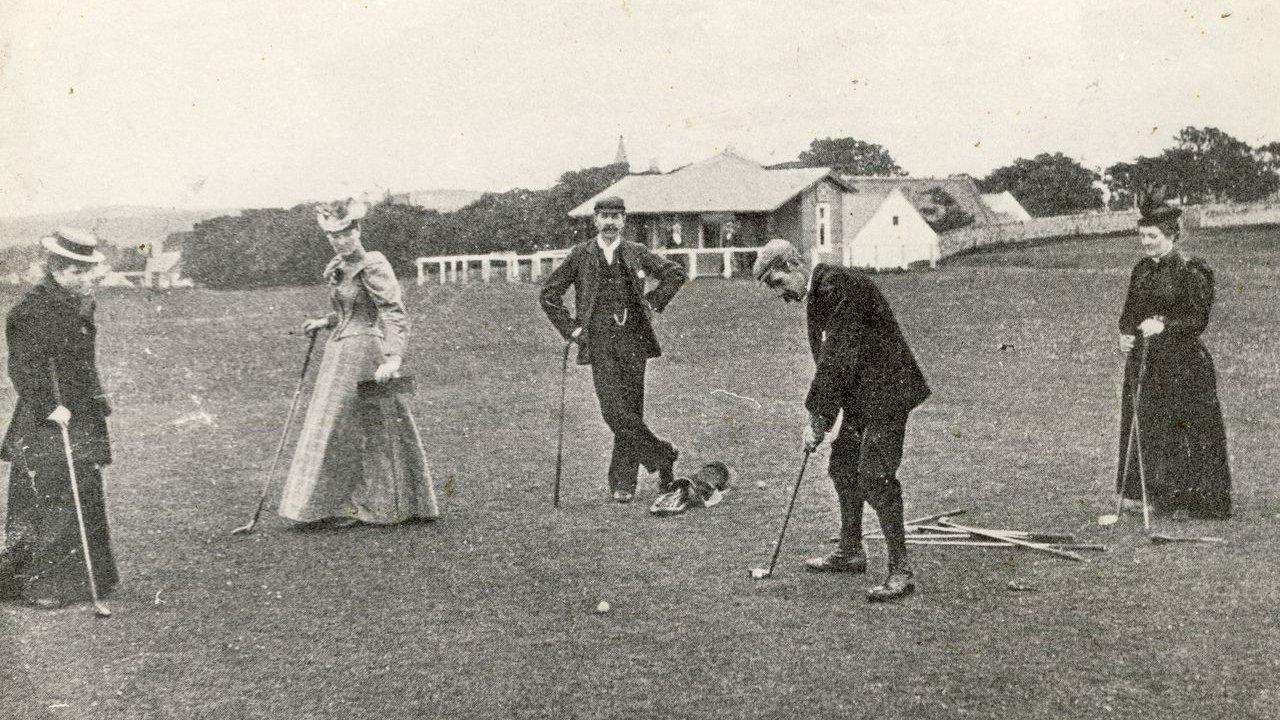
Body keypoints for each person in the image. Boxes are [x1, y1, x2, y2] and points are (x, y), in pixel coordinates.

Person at [753, 239, 930, 602]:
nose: (781, 295)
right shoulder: (820, 292)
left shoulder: (839, 286)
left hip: (887, 391)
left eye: (778, 283)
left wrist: (818, 419)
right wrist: (825, 416)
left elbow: (836, 357)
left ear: (794, 265)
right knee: (843, 467)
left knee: (875, 475)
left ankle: (901, 570)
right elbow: (833, 361)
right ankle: (851, 551)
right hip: (861, 393)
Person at [277, 199, 439, 527]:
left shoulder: (373, 263)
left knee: (368, 427)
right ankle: (335, 504)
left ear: (358, 230)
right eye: (333, 235)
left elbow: (392, 311)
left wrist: (394, 358)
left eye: (345, 233)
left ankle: (374, 503)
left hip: (366, 352)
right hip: (339, 354)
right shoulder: (337, 265)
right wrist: (325, 321)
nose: (340, 240)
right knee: (336, 427)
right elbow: (349, 309)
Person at [540, 196, 687, 503]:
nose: (609, 222)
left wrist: (653, 301)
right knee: (613, 410)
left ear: (624, 221)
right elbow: (550, 294)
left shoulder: (636, 252)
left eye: (616, 216)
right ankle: (663, 454)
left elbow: (675, 273)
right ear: (595, 220)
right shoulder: (581, 255)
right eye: (604, 216)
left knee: (631, 410)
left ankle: (624, 483)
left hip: (634, 340)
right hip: (600, 342)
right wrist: (572, 329)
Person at [1, 228, 118, 609]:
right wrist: (50, 406)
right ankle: (40, 586)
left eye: (88, 272)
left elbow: (82, 363)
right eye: (77, 273)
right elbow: (24, 367)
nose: (86, 280)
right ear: (56, 269)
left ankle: (88, 580)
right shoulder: (30, 311)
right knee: (49, 497)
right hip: (46, 417)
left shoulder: (79, 304)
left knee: (82, 490)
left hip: (81, 410)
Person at [1115, 196, 1230, 519]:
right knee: (1148, 426)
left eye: (1153, 236)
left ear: (1171, 236)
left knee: (1182, 427)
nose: (1146, 242)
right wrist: (1125, 335)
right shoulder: (1140, 270)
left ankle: (1193, 500)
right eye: (1142, 236)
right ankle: (1153, 493)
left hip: (1182, 364)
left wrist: (1162, 324)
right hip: (1145, 361)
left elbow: (1197, 320)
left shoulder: (1191, 269)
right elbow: (1128, 314)